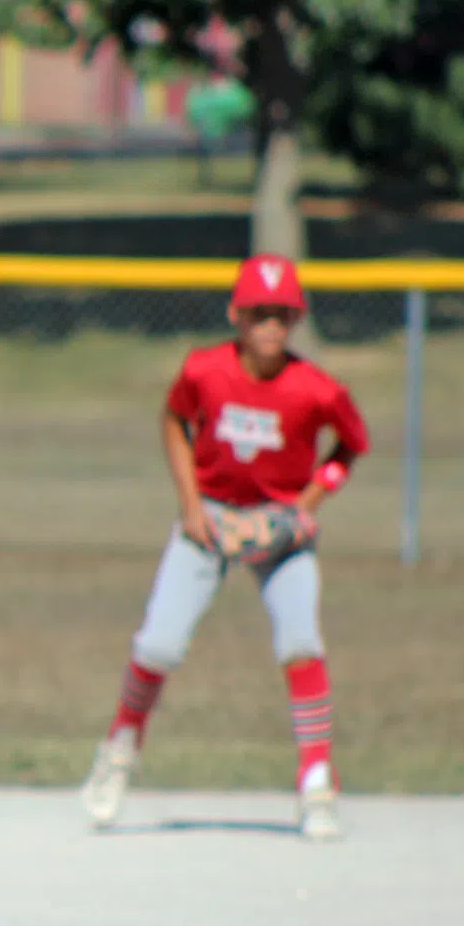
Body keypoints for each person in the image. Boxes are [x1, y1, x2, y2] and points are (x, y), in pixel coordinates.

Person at [79, 253, 370, 840]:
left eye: (283, 316)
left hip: (277, 526)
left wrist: (305, 507)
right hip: (210, 516)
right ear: (236, 314)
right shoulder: (205, 371)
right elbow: (173, 421)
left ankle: (317, 779)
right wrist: (189, 506)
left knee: (300, 641)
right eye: (259, 314)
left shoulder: (317, 389)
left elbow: (350, 447)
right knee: (158, 643)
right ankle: (121, 746)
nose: (271, 327)